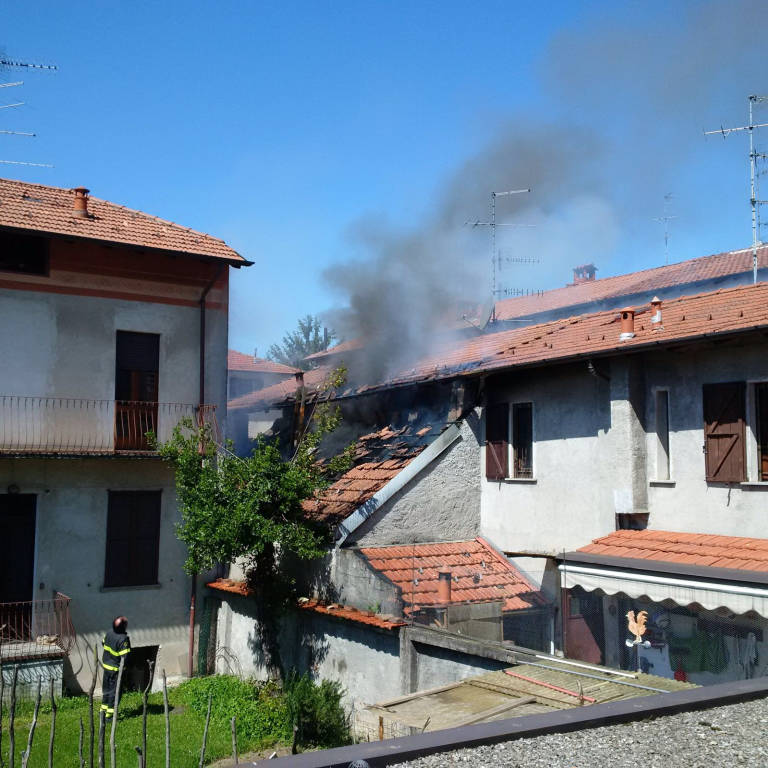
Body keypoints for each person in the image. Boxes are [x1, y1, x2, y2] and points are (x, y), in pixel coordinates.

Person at [101, 615, 131, 720]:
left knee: (106, 689)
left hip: (106, 666)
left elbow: (103, 643)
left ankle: (103, 711)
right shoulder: (123, 639)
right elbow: (125, 657)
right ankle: (110, 716)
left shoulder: (109, 632)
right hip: (115, 670)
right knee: (115, 692)